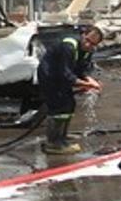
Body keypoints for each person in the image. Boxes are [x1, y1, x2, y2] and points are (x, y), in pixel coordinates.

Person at [36, 25, 103, 154]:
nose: (89, 45)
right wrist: (85, 84)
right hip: (50, 76)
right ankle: (53, 142)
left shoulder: (87, 51)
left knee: (69, 104)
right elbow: (65, 74)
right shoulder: (69, 46)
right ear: (83, 34)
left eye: (93, 44)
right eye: (88, 40)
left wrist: (90, 80)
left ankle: (61, 135)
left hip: (61, 77)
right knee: (59, 106)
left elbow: (81, 69)